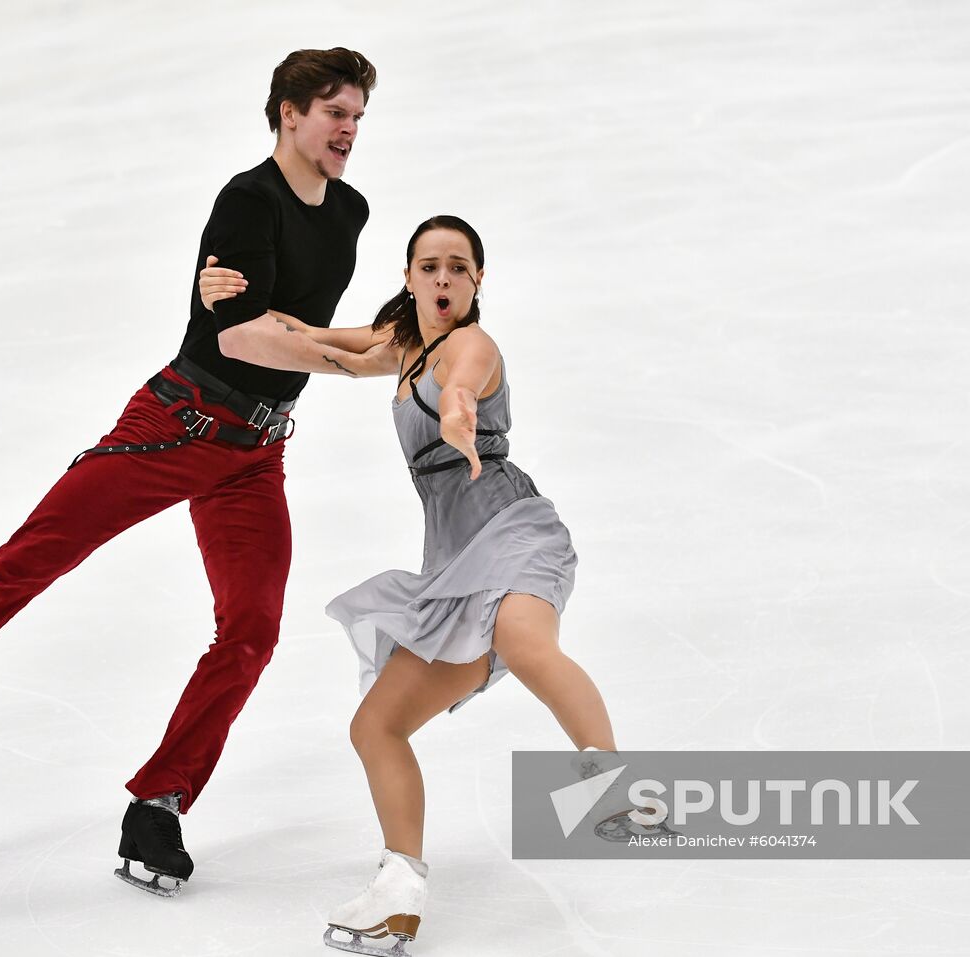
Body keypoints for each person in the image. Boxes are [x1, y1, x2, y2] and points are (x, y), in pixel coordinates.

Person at [0, 47, 395, 898]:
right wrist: (361, 362)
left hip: (255, 454)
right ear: (290, 112)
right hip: (175, 424)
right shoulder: (246, 201)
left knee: (250, 631)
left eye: (359, 116)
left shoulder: (349, 212)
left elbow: (284, 321)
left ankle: (160, 802)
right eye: (337, 113)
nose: (350, 131)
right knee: (20, 568)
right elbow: (238, 338)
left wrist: (355, 339)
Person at [199, 216, 661, 955]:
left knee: (524, 638)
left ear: (477, 282)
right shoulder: (405, 349)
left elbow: (464, 387)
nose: (443, 278)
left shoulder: (470, 348)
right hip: (454, 566)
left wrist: (456, 414)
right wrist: (225, 306)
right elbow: (316, 339)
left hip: (514, 531)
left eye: (458, 267)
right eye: (430, 266)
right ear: (410, 277)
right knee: (374, 726)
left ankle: (616, 784)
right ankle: (399, 888)